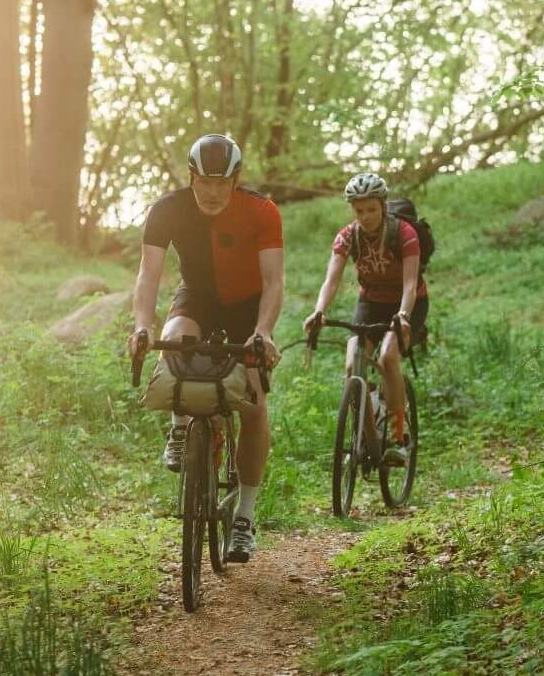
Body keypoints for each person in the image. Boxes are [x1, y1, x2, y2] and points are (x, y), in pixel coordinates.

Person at [127, 134, 283, 564]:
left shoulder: (261, 211)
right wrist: (142, 325)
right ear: (191, 176)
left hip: (248, 307)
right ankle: (181, 427)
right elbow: (148, 276)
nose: (213, 192)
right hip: (197, 297)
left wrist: (264, 331)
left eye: (222, 182)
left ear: (236, 178)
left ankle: (244, 517)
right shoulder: (167, 209)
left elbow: (274, 281)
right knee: (174, 338)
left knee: (253, 402)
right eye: (204, 182)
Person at [302, 172, 423, 466]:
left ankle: (398, 436)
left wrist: (403, 316)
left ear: (383, 205)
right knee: (351, 364)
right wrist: (319, 310)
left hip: (408, 302)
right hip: (370, 302)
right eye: (359, 210)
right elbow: (331, 280)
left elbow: (410, 284)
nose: (366, 216)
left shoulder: (404, 233)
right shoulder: (347, 236)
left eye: (371, 209)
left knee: (387, 359)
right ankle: (369, 433)